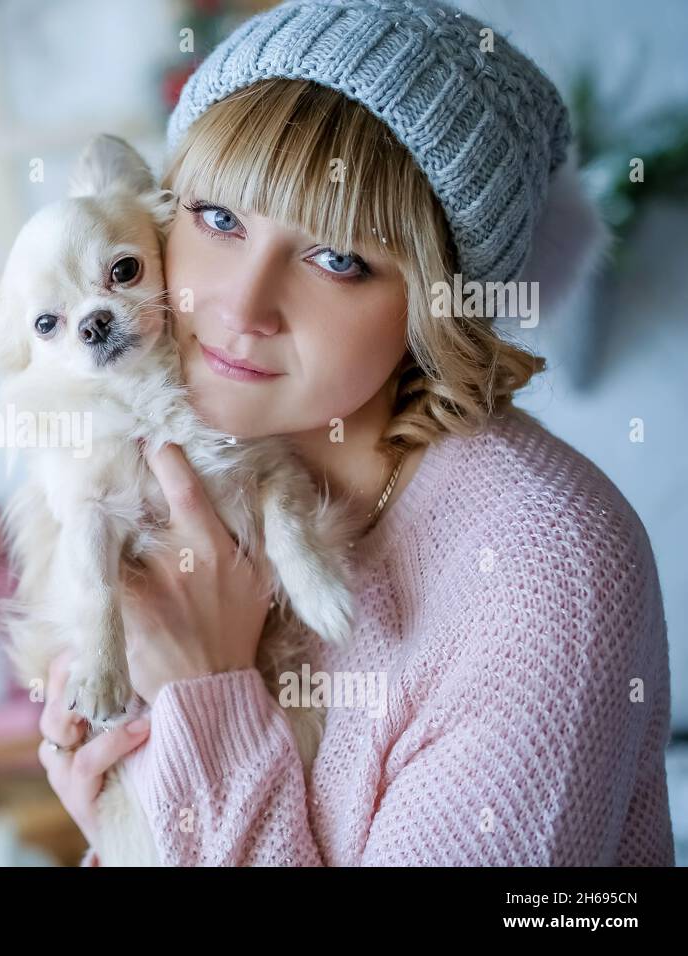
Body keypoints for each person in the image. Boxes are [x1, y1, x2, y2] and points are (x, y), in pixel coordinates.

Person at [37, 0, 675, 866]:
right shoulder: (176, 485)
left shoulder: (547, 573)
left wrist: (206, 698)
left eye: (339, 259)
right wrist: (124, 831)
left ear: (438, 304)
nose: (240, 308)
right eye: (218, 219)